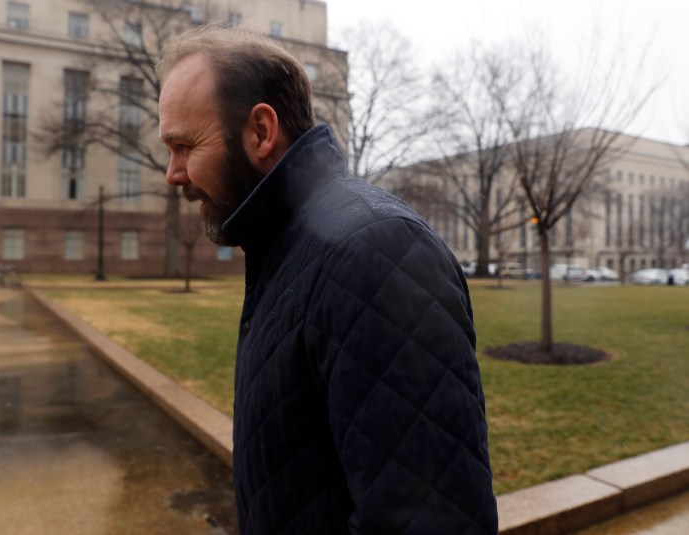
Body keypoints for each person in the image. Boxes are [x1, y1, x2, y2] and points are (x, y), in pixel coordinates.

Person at [158, 26, 497, 535]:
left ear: (261, 132)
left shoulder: (375, 250)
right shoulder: (287, 247)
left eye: (185, 145)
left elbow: (430, 521)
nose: (173, 173)